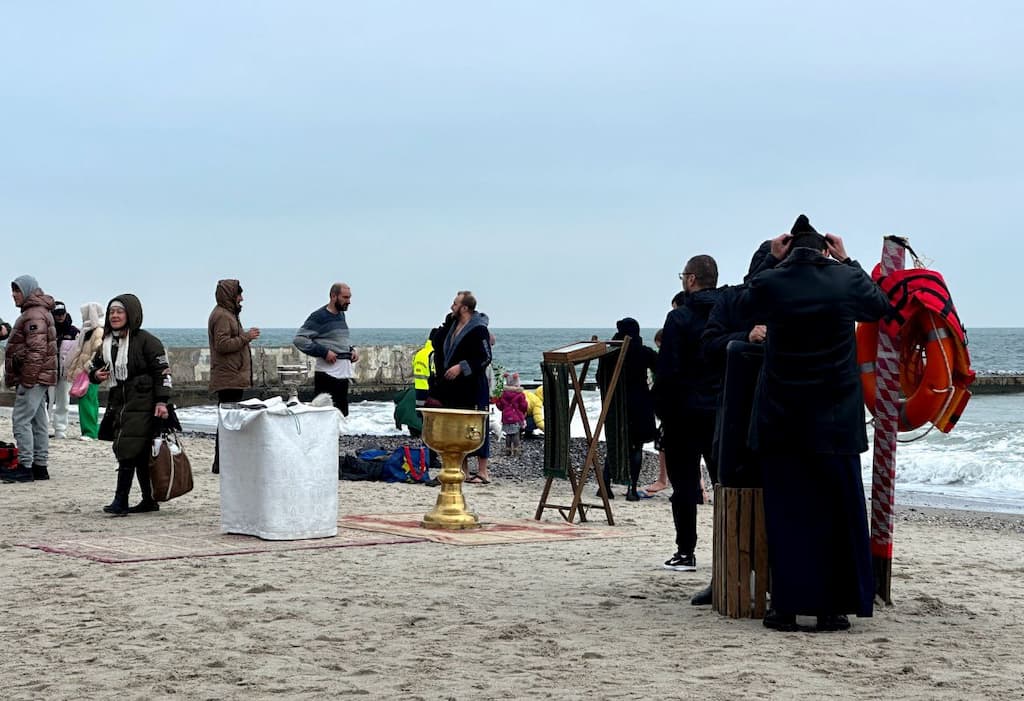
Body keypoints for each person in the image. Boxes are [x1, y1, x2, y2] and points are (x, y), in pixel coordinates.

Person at [738, 215, 891, 632]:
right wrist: (848, 260)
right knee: (835, 515)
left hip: (782, 418)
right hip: (835, 421)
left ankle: (785, 607)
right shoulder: (843, 280)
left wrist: (767, 260)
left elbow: (738, 305)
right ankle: (831, 609)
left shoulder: (772, 282)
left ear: (789, 249)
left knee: (788, 516)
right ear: (825, 249)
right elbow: (881, 306)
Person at [652, 256, 722, 571]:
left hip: (683, 411)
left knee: (685, 486)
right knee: (725, 482)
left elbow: (667, 371)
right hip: (722, 409)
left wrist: (662, 414)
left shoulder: (679, 318)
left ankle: (685, 552)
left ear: (691, 279)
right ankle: (729, 548)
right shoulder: (729, 312)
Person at [90, 294, 173, 516]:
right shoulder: (108, 343)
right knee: (139, 453)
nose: (115, 316)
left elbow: (163, 373)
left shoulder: (147, 341)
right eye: (111, 312)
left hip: (144, 403)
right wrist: (95, 375)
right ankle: (149, 500)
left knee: (128, 450)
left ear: (131, 314)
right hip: (119, 404)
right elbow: (93, 368)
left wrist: (162, 402)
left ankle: (120, 501)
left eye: (120, 311)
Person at [427, 290, 493, 484]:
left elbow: (485, 357)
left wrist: (462, 367)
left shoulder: (479, 329)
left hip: (473, 384)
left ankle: (482, 471)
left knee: (477, 425)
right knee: (456, 425)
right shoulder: (453, 325)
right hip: (453, 387)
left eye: (455, 304)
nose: (451, 307)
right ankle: (462, 469)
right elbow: (438, 341)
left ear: (465, 307)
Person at [596, 317, 659, 501]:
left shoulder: (610, 353)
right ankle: (632, 489)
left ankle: (606, 486)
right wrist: (652, 392)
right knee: (636, 446)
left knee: (615, 444)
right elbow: (662, 370)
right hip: (640, 403)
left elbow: (601, 379)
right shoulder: (643, 352)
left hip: (616, 405)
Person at [3, 275, 58, 483]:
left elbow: (36, 350)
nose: (13, 295)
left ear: (26, 291)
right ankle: (40, 466)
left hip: (32, 377)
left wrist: (27, 379)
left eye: (17, 290)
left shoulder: (33, 315)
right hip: (41, 376)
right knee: (38, 420)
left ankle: (25, 466)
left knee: (21, 420)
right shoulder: (39, 312)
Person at [208, 279, 260, 473]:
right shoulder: (222, 316)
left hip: (231, 376)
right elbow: (222, 345)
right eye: (239, 294)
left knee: (228, 420)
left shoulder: (227, 314)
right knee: (228, 421)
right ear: (231, 295)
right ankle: (221, 463)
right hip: (228, 378)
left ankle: (223, 462)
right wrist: (246, 337)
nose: (242, 298)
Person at [294, 283, 359, 416]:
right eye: (345, 297)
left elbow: (337, 341)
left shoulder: (341, 315)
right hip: (327, 374)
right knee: (323, 415)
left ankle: (340, 437)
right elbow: (300, 340)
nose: (349, 301)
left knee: (342, 415)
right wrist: (324, 352)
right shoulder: (319, 316)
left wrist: (351, 350)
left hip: (343, 374)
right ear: (333, 296)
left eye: (349, 297)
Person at [64, 303, 105, 441]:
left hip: (89, 372)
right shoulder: (88, 330)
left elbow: (97, 351)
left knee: (88, 401)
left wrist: (88, 367)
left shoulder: (96, 331)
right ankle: (92, 430)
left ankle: (89, 432)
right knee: (88, 401)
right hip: (86, 371)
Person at [48, 301, 80, 439]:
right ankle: (42, 427)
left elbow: (80, 350)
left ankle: (60, 429)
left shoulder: (73, 331)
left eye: (62, 314)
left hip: (65, 371)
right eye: (57, 314)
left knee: (63, 401)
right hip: (49, 370)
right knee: (46, 401)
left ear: (66, 313)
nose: (60, 317)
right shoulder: (48, 329)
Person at [495, 372, 528, 457]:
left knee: (508, 434)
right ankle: (516, 450)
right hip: (516, 417)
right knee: (516, 434)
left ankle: (508, 449)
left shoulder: (503, 394)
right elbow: (524, 406)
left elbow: (499, 406)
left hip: (506, 417)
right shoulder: (520, 394)